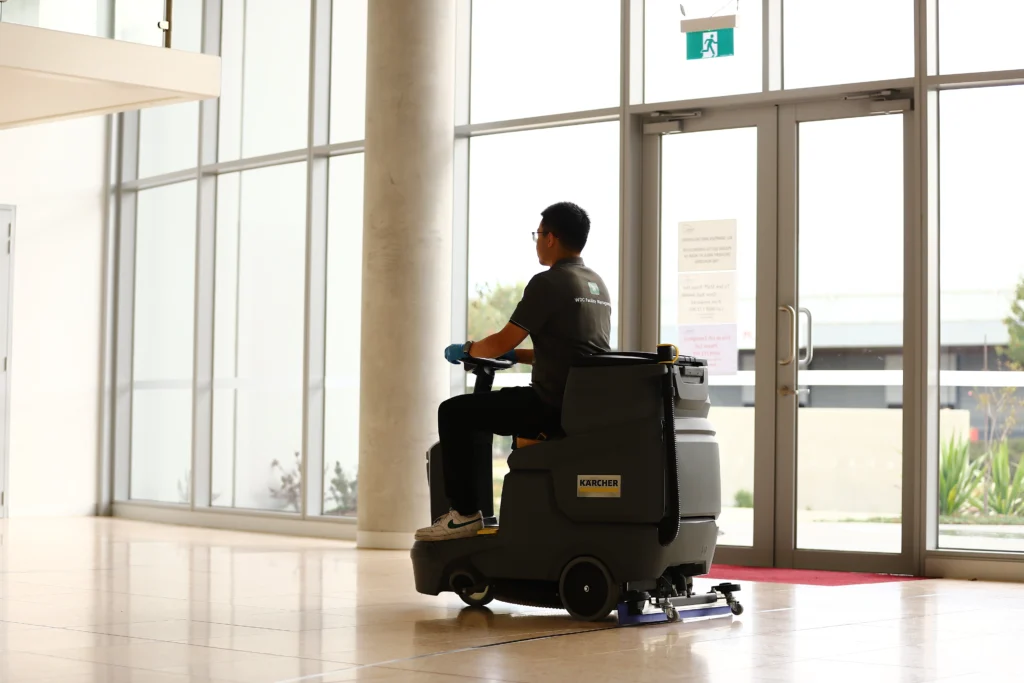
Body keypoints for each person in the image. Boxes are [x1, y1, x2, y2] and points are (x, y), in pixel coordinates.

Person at [416, 201, 612, 541]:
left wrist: (467, 350)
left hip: (548, 405)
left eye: (538, 234)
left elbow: (499, 340)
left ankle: (463, 515)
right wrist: (516, 356)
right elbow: (569, 352)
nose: (536, 241)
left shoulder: (548, 283)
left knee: (454, 412)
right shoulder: (596, 285)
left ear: (551, 238)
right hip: (581, 406)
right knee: (483, 412)